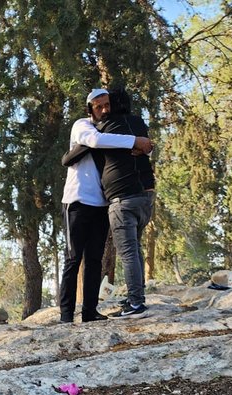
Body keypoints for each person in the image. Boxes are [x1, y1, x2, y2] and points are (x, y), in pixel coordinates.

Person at [57, 88, 153, 324]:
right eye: (98, 106)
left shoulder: (113, 129)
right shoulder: (83, 126)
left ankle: (89, 312)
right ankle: (66, 315)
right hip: (77, 201)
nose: (104, 110)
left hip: (102, 203)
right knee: (73, 259)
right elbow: (94, 140)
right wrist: (135, 141)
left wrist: (142, 146)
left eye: (107, 105)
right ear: (90, 109)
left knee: (95, 261)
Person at [91, 87, 156, 319]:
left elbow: (93, 140)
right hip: (146, 196)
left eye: (107, 105)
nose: (104, 109)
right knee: (135, 248)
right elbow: (147, 144)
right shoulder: (138, 124)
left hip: (122, 198)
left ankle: (136, 303)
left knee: (128, 252)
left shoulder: (106, 128)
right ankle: (137, 297)